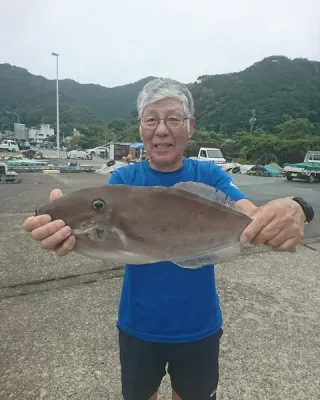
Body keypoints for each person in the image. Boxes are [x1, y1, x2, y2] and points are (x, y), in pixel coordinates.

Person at [23, 78, 312, 400]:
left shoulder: (210, 175)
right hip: (138, 326)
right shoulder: (123, 179)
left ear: (190, 126)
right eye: (151, 119)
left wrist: (296, 206)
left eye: (173, 119)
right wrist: (56, 229)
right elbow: (91, 227)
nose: (162, 129)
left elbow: (253, 215)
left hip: (199, 328)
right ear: (141, 128)